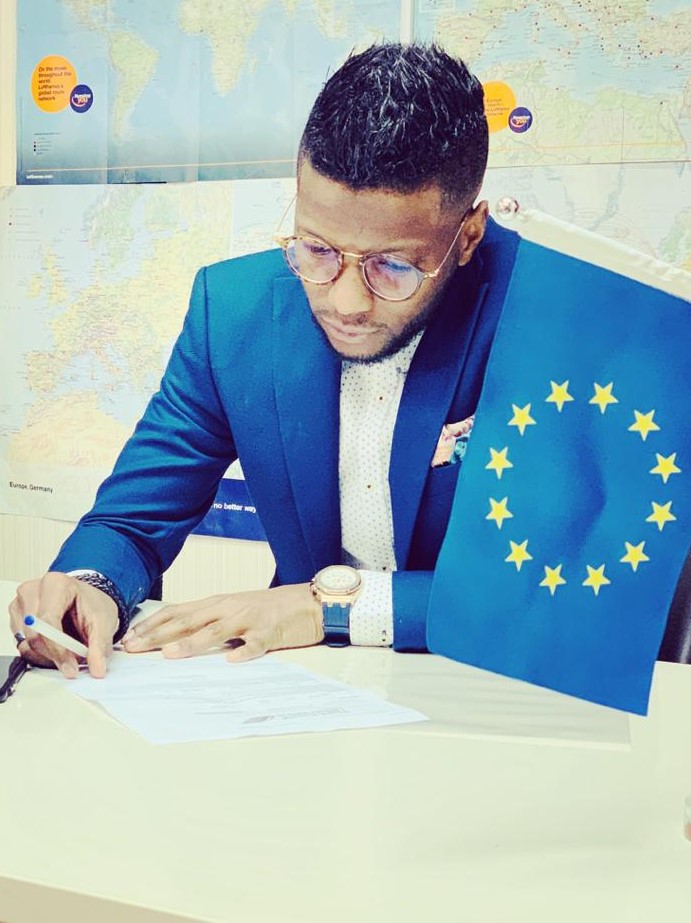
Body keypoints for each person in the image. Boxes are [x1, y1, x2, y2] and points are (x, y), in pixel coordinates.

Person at [9, 42, 522, 677]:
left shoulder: (550, 316)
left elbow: (560, 589)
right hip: (301, 687)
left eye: (393, 265)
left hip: (494, 683)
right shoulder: (232, 311)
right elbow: (134, 518)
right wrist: (88, 586)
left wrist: (327, 608)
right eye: (317, 248)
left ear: (468, 235)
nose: (346, 302)